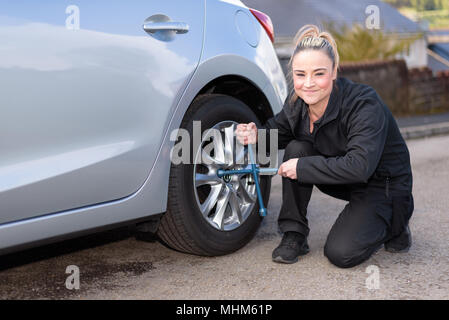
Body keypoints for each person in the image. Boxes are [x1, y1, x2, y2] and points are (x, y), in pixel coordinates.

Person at [235, 24, 414, 268]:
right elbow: (276, 133)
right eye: (300, 75)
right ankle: (294, 234)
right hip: (344, 179)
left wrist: (302, 167)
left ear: (333, 72)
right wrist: (255, 135)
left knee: (341, 253)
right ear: (293, 76)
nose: (308, 83)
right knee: (296, 149)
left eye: (318, 74)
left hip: (382, 184)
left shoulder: (363, 104)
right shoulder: (298, 104)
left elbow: (360, 166)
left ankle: (395, 223)